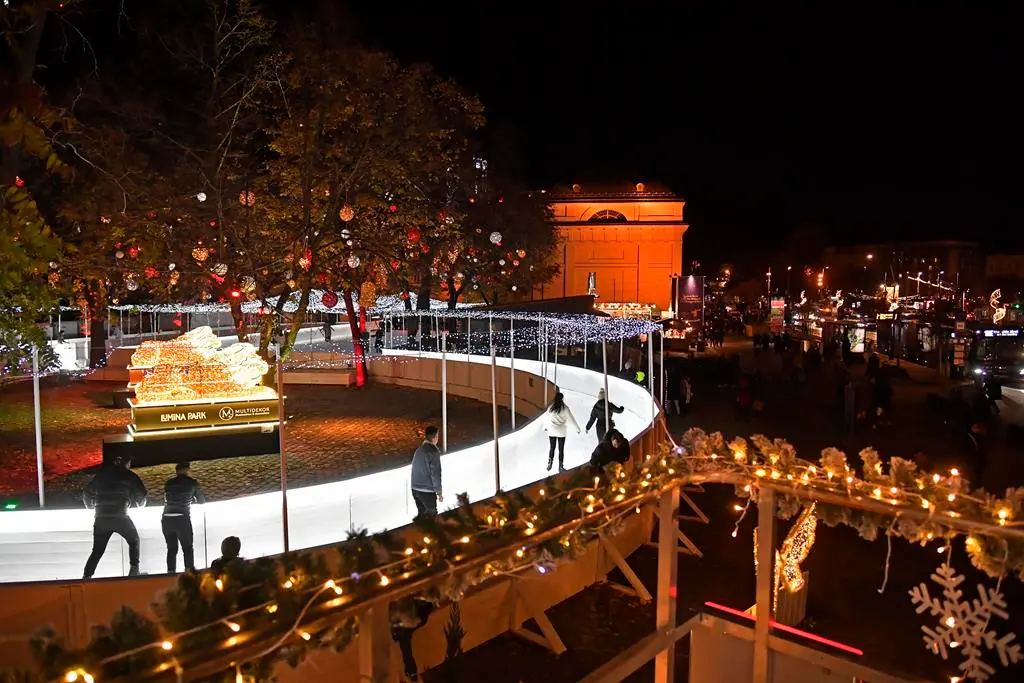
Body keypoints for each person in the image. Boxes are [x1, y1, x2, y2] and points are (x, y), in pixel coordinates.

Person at [82, 455, 148, 579]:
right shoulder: (130, 475)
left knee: (97, 550)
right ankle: (134, 571)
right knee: (134, 540)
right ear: (127, 463)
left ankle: (87, 576)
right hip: (120, 516)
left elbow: (86, 491)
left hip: (101, 518)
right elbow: (141, 494)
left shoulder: (102, 475)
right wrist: (141, 504)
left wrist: (90, 506)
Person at [162, 462, 207, 574]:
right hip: (182, 519)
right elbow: (202, 501)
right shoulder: (192, 483)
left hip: (166, 519)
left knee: (171, 549)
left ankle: (170, 574)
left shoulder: (168, 483)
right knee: (187, 549)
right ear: (187, 470)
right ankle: (189, 575)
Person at [391, 598, 435, 682]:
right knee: (404, 639)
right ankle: (411, 671)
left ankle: (411, 671)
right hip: (413, 617)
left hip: (413, 619)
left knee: (404, 639)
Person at [543, 392, 581, 472]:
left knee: (552, 448)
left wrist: (545, 427)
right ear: (562, 399)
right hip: (561, 432)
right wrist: (577, 429)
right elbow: (571, 419)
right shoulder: (565, 408)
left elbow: (546, 418)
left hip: (552, 431)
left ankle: (550, 463)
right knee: (561, 449)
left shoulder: (550, 407)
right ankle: (560, 467)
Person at [410, 426, 443, 518]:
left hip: (415, 488)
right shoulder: (433, 452)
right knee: (432, 517)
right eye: (437, 436)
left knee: (422, 515)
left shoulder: (418, 450)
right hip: (427, 491)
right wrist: (439, 492)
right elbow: (436, 474)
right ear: (434, 437)